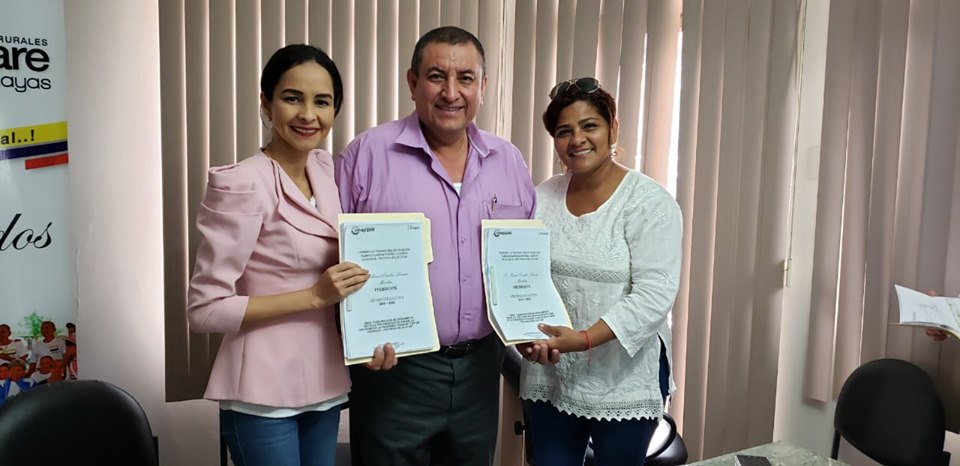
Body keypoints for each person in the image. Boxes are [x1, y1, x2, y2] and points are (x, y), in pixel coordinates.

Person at [335, 26, 536, 466]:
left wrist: (531, 326)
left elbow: (523, 264)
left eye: (465, 78)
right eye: (436, 76)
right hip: (395, 373)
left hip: (480, 371)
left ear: (483, 86)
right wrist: (356, 336)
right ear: (412, 82)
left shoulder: (508, 161)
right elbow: (330, 258)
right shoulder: (367, 155)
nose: (451, 92)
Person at [187, 44, 369, 466]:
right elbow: (204, 310)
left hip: (323, 379)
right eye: (292, 98)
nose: (308, 115)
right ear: (266, 104)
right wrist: (313, 297)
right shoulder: (241, 183)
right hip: (261, 389)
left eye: (322, 101)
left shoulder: (325, 170)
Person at [519, 78, 682, 466]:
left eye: (589, 125)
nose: (577, 139)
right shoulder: (541, 198)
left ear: (613, 128)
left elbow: (655, 295)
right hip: (552, 371)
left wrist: (583, 340)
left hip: (623, 377)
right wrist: (523, 335)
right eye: (564, 131)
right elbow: (521, 277)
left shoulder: (648, 202)